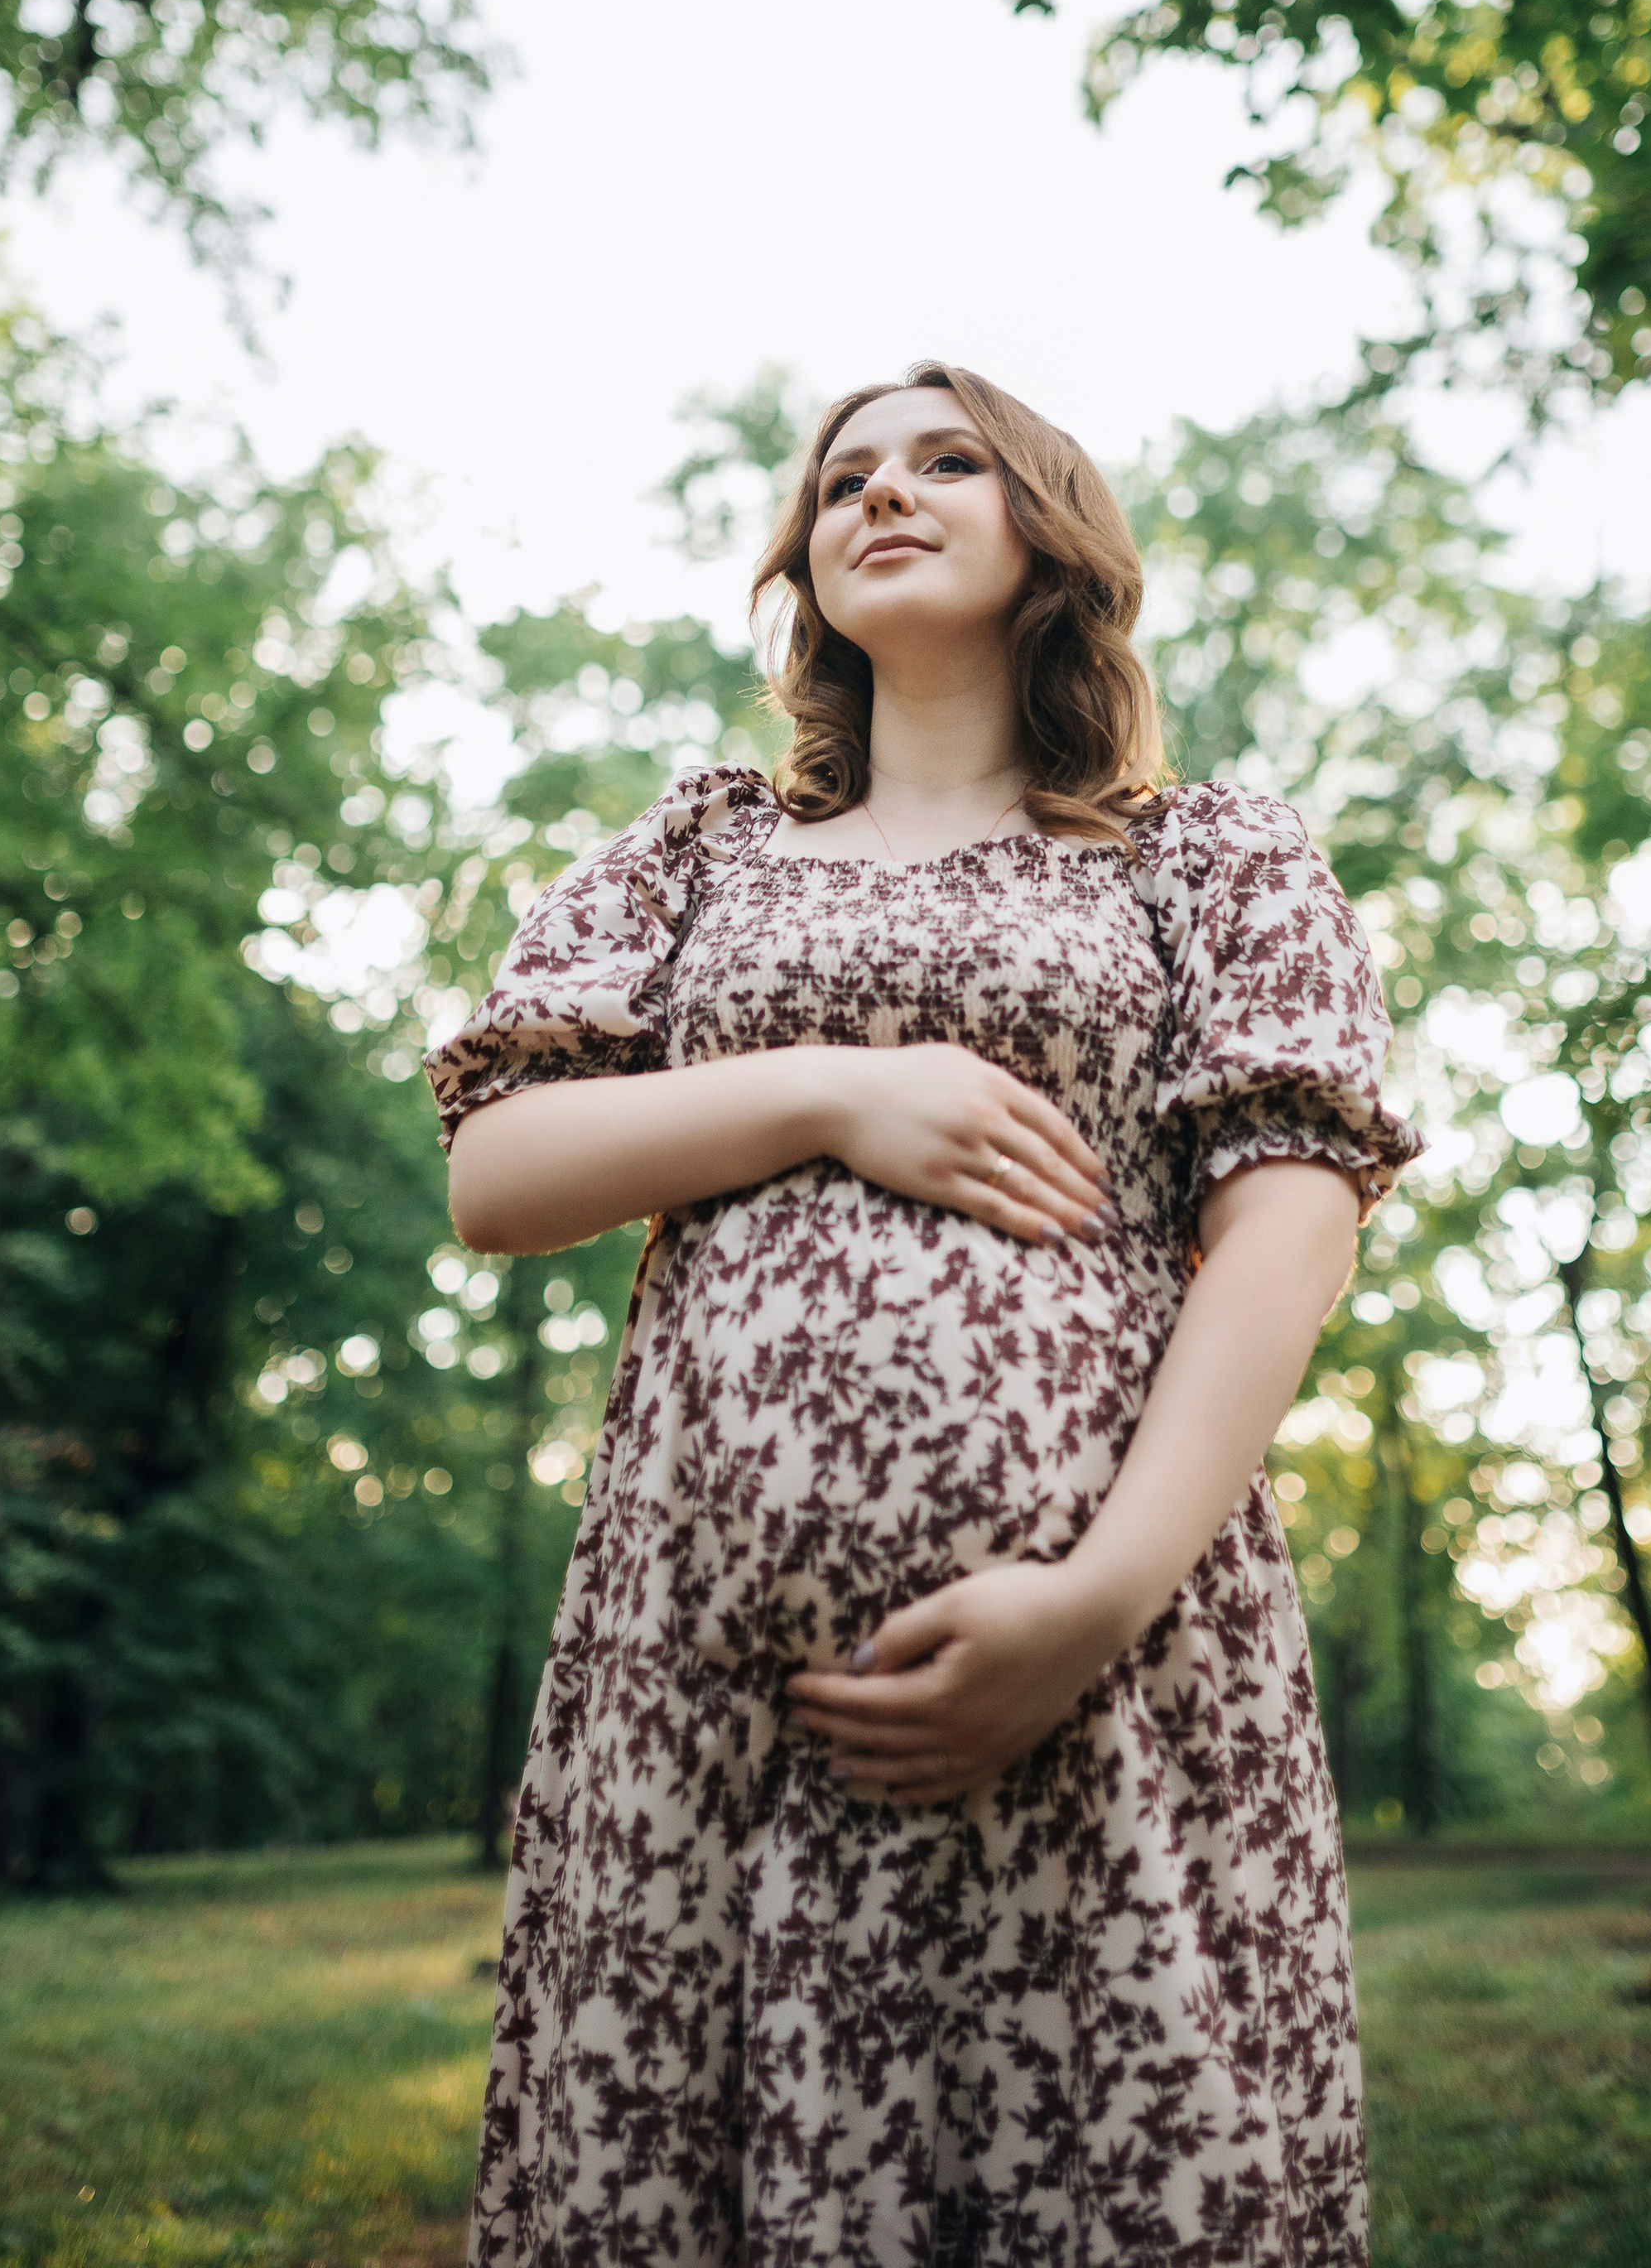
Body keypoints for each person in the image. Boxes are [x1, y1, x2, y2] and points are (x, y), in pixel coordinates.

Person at [427, 361, 1419, 2268]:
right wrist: (828, 1094)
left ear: (1046, 529)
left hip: (1109, 1676)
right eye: (843, 477)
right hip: (699, 1702)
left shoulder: (1200, 856)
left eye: (944, 461)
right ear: (802, 560)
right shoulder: (694, 854)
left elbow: (1289, 1224)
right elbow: (498, 1176)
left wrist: (1096, 1596)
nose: (882, 491)